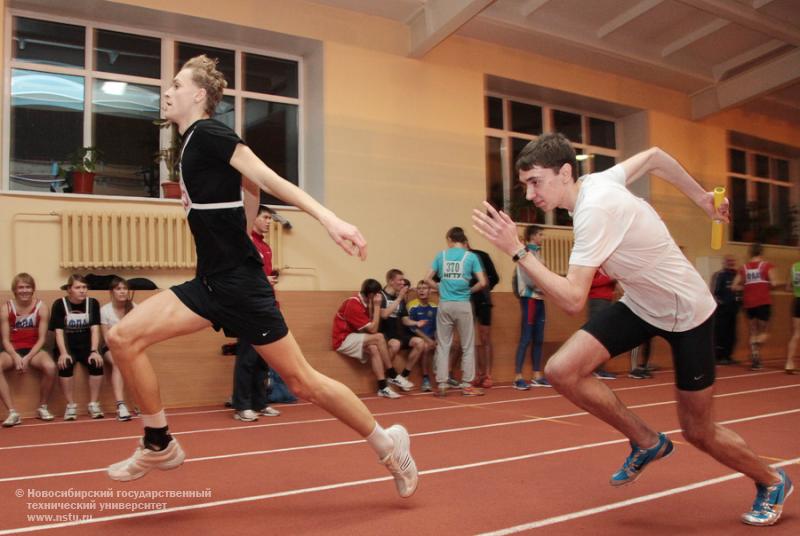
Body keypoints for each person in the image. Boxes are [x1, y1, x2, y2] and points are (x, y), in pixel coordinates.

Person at [104, 55, 417, 499]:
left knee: (303, 382)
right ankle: (159, 443)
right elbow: (247, 193)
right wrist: (248, 223)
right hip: (210, 283)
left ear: (198, 95)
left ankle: (390, 446)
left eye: (176, 84)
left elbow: (265, 177)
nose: (167, 91)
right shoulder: (191, 144)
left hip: (242, 288)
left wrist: (331, 220)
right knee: (123, 338)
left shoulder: (210, 133)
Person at [472, 132, 791, 526]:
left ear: (565, 172)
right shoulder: (600, 181)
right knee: (561, 370)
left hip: (687, 313)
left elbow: (573, 300)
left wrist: (518, 251)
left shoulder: (595, 209)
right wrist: (702, 198)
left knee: (698, 431)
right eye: (525, 185)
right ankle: (646, 440)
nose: (530, 193)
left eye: (535, 181)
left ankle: (772, 479)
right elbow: (655, 155)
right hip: (642, 304)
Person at [231, 205, 281, 422]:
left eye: (271, 218)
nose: (269, 222)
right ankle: (241, 406)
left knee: (263, 359)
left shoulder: (266, 247)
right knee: (247, 358)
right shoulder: (245, 243)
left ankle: (260, 403)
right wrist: (262, 280)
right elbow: (240, 274)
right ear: (254, 219)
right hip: (247, 308)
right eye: (265, 217)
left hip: (265, 307)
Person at [424, 226, 487, 397]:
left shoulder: (441, 255)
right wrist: (469, 291)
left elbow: (426, 278)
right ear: (463, 239)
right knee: (467, 345)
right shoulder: (471, 256)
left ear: (450, 239)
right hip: (463, 304)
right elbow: (482, 282)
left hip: (445, 303)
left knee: (443, 344)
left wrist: (439, 286)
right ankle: (467, 385)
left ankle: (442, 384)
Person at [333, 279, 410, 399]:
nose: (380, 296)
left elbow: (370, 327)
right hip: (342, 339)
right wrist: (377, 306)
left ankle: (382, 387)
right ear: (371, 295)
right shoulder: (353, 304)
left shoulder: (365, 302)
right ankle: (392, 373)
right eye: (378, 293)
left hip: (353, 336)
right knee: (379, 337)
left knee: (374, 348)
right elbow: (373, 330)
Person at [0, 273, 56, 426]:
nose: (24, 290)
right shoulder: (6, 308)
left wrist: (28, 357)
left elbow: (42, 339)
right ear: (15, 290)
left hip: (34, 349)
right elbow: (5, 339)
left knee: (50, 367)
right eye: (21, 287)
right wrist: (16, 357)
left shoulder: (42, 307)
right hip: (12, 349)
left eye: (27, 287)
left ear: (33, 289)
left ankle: (42, 407)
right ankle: (12, 412)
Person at [50, 274, 104, 420]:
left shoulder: (92, 303)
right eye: (78, 287)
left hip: (86, 345)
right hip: (68, 346)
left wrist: (94, 351)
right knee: (65, 364)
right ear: (69, 290)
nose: (82, 290)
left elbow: (95, 329)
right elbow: (59, 332)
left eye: (84, 287)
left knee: (97, 363)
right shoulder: (59, 304)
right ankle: (71, 405)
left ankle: (93, 403)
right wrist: (63, 353)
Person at [511, 225, 550, 390]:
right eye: (540, 234)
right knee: (526, 337)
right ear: (533, 236)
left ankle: (536, 374)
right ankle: (518, 376)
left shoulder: (538, 255)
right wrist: (545, 286)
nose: (542, 237)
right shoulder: (524, 254)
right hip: (530, 299)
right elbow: (529, 280)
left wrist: (545, 286)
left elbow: (544, 276)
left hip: (539, 299)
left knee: (539, 338)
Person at [732, 244, 777, 370]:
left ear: (750, 253)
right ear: (761, 252)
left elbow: (734, 286)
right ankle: (755, 345)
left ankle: (755, 359)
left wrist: (746, 286)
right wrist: (765, 284)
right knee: (764, 333)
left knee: (753, 331)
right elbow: (774, 282)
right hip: (763, 301)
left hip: (749, 303)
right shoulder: (766, 266)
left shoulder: (744, 268)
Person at [100, 277, 136, 421]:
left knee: (139, 364)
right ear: (112, 292)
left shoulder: (135, 307)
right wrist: (120, 350)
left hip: (130, 347)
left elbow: (139, 333)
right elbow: (107, 338)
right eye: (118, 289)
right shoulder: (105, 310)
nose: (122, 292)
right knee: (118, 363)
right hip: (111, 348)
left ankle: (140, 403)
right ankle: (121, 405)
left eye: (124, 289)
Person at [377, 269, 419, 390]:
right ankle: (386, 377)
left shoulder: (400, 298)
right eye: (400, 280)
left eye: (403, 280)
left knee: (420, 343)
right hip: (385, 334)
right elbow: (384, 315)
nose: (402, 283)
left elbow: (405, 320)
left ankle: (404, 376)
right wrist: (399, 298)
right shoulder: (381, 296)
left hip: (398, 333)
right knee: (395, 345)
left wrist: (417, 323)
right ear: (390, 281)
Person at [466, 239, 499, 388]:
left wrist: (483, 290)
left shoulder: (482, 256)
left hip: (483, 301)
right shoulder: (458, 259)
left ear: (465, 243)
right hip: (466, 301)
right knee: (471, 338)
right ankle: (477, 373)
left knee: (485, 336)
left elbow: (494, 277)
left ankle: (488, 374)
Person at [406, 280, 438, 392]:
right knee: (425, 346)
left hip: (433, 337)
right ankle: (426, 379)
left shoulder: (434, 306)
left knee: (455, 346)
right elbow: (413, 328)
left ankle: (449, 375)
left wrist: (437, 339)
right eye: (419, 288)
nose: (421, 290)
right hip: (421, 337)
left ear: (430, 291)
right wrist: (429, 340)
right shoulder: (412, 306)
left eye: (424, 288)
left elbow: (438, 325)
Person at [710, 254, 740, 366]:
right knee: (720, 333)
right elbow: (713, 293)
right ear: (724, 262)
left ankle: (728, 356)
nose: (731, 262)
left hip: (734, 310)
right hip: (721, 311)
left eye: (732, 260)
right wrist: (721, 304)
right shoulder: (719, 275)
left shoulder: (737, 275)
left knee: (732, 334)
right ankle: (718, 356)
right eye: (728, 260)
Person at [588, 268, 617, 380]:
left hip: (607, 299)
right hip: (597, 300)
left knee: (604, 335)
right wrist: (609, 278)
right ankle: (595, 369)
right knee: (597, 335)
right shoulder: (593, 266)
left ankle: (600, 368)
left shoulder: (606, 266)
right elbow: (590, 282)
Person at [785, 258, 800, 375]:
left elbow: (788, 287)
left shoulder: (794, 267)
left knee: (796, 333)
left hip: (797, 301)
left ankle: (789, 363)